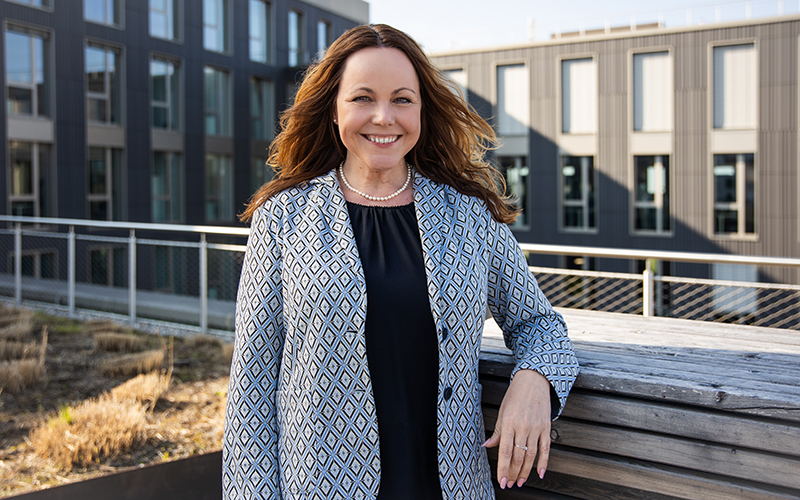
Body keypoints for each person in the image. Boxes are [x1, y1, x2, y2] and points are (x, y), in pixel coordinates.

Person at [224, 23, 579, 500]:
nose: (384, 116)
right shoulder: (283, 218)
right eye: (363, 98)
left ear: (422, 110)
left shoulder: (469, 213)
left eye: (402, 99)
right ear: (334, 110)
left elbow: (539, 325)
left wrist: (535, 382)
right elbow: (252, 391)